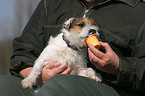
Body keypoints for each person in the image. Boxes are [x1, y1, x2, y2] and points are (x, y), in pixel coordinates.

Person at [0, 0, 144, 96]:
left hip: (110, 89)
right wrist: (39, 78)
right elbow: (22, 54)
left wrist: (118, 67)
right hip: (42, 87)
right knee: (4, 86)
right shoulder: (51, 3)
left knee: (61, 86)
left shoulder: (138, 13)